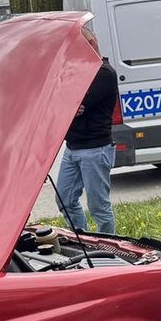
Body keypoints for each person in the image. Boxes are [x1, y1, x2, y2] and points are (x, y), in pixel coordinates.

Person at [56, 23, 118, 234]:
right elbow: (61, 101)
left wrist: (69, 104)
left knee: (98, 207)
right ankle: (81, 239)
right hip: (72, 147)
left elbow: (73, 106)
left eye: (75, 48)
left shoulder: (104, 74)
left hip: (95, 148)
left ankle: (108, 249)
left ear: (90, 44)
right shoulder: (78, 72)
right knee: (64, 199)